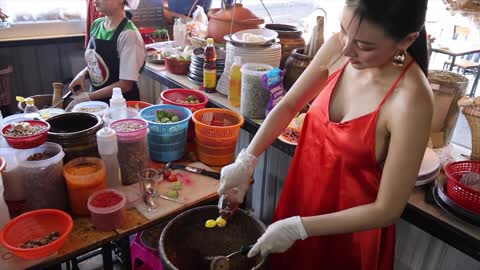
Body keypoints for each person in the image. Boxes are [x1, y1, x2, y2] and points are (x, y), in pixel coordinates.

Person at [218, 0, 433, 269]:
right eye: (344, 30)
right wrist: (247, 159)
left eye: (364, 45)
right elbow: (287, 106)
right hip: (299, 205)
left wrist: (301, 228)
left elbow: (387, 210)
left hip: (348, 236)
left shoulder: (412, 99)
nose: (346, 48)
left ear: (406, 41)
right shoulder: (338, 47)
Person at [67, 0, 145, 110]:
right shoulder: (97, 24)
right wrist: (82, 75)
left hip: (121, 107)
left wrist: (88, 97)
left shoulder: (128, 34)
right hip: (96, 104)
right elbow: (97, 60)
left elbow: (126, 84)